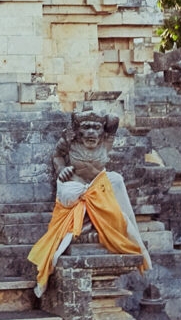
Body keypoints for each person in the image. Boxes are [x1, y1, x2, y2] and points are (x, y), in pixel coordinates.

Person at [26, 111, 151, 296]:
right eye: (86, 128)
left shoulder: (106, 142)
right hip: (76, 185)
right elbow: (57, 155)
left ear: (103, 131)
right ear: (78, 131)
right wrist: (61, 169)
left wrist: (99, 119)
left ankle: (106, 228)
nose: (91, 132)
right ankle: (82, 229)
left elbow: (114, 120)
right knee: (70, 193)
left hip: (99, 186)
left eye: (96, 128)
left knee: (116, 180)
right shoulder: (70, 142)